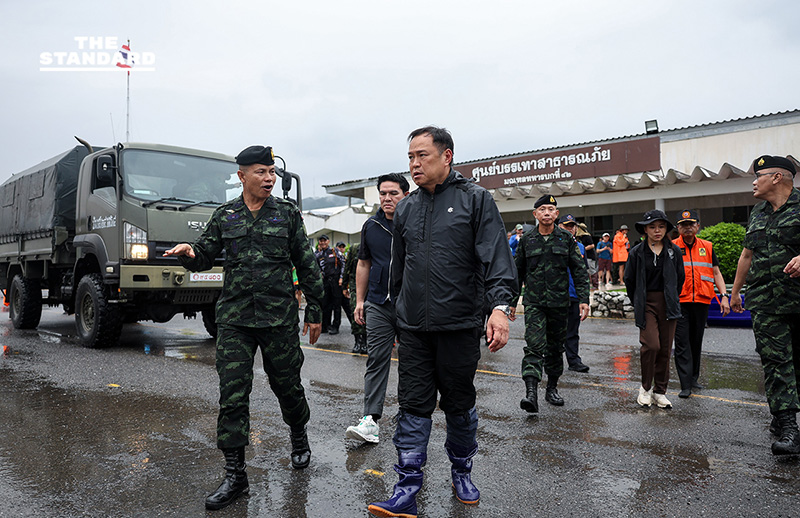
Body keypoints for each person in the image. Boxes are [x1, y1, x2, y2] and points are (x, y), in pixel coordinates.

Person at [164, 145, 324, 510]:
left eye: (272, 172)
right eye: (261, 172)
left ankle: (298, 434)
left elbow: (306, 262)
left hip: (278, 319)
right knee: (233, 396)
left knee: (287, 387)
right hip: (235, 319)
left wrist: (315, 308)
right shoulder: (226, 215)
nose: (269, 179)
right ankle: (236, 475)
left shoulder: (286, 215)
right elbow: (204, 252)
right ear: (242, 176)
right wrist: (189, 252)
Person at [368, 126, 517, 517]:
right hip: (415, 329)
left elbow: (497, 259)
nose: (414, 164)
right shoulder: (406, 208)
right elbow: (398, 270)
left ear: (447, 156)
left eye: (422, 156)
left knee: (458, 405)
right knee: (413, 407)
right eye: (410, 158)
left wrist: (500, 308)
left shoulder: (476, 200)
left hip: (459, 326)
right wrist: (399, 314)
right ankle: (406, 488)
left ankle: (462, 471)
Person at [731, 155, 800, 455]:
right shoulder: (757, 213)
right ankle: (787, 427)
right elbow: (747, 255)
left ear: (777, 178)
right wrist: (734, 293)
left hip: (797, 299)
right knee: (775, 362)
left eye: (758, 176)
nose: (753, 182)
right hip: (765, 301)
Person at [345, 173, 410, 444]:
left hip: (411, 306)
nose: (387, 198)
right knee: (376, 360)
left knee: (412, 362)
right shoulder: (371, 226)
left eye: (393, 193)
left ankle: (409, 414)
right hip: (378, 304)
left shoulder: (415, 224)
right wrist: (360, 301)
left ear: (405, 195)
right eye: (382, 193)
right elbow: (364, 263)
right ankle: (370, 419)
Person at [516, 199, 590, 415]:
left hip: (559, 303)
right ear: (535, 214)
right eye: (542, 210)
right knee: (534, 346)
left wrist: (584, 299)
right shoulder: (527, 239)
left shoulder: (566, 238)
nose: (546, 213)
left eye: (550, 209)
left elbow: (578, 270)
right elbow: (517, 271)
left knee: (556, 348)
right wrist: (511, 302)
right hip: (534, 302)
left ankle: (552, 388)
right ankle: (531, 393)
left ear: (556, 214)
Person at [624, 210, 684, 409]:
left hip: (668, 303)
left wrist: (671, 297)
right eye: (652, 227)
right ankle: (645, 388)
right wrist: (639, 301)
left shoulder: (673, 251)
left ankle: (660, 391)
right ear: (645, 229)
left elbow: (680, 279)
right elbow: (629, 280)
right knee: (651, 345)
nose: (657, 231)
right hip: (646, 302)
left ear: (666, 229)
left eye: (661, 226)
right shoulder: (637, 252)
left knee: (665, 349)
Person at [672, 209, 730, 398]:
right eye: (683, 225)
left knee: (696, 341)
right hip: (680, 300)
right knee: (682, 342)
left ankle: (694, 377)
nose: (688, 228)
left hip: (702, 300)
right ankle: (685, 383)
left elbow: (716, 272)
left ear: (698, 226)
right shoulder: (671, 247)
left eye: (691, 224)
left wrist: (724, 295)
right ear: (678, 228)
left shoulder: (708, 246)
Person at [560, 215, 591, 373]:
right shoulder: (553, 245)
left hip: (573, 294)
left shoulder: (580, 247)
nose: (570, 228)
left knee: (572, 331)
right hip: (556, 296)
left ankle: (573, 360)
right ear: (559, 226)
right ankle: (551, 359)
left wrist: (584, 297)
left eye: (572, 226)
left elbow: (583, 273)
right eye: (567, 225)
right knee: (555, 331)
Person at [315, 234, 345, 334]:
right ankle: (325, 326)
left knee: (337, 305)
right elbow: (316, 268)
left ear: (328, 241)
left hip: (336, 281)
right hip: (325, 281)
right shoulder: (318, 255)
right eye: (321, 241)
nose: (323, 242)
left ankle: (335, 326)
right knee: (325, 304)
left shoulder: (335, 251)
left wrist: (341, 277)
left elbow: (343, 264)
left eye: (324, 240)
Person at [342, 242, 367, 353]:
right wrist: (344, 286)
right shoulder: (355, 248)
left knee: (367, 312)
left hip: (370, 284)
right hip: (355, 284)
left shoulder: (373, 245)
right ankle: (357, 341)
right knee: (354, 311)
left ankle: (365, 342)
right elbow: (348, 267)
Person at [576, 222, 598, 289]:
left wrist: (583, 249)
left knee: (592, 270)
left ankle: (595, 285)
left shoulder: (587, 236)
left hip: (590, 256)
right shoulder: (579, 238)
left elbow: (592, 245)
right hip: (584, 256)